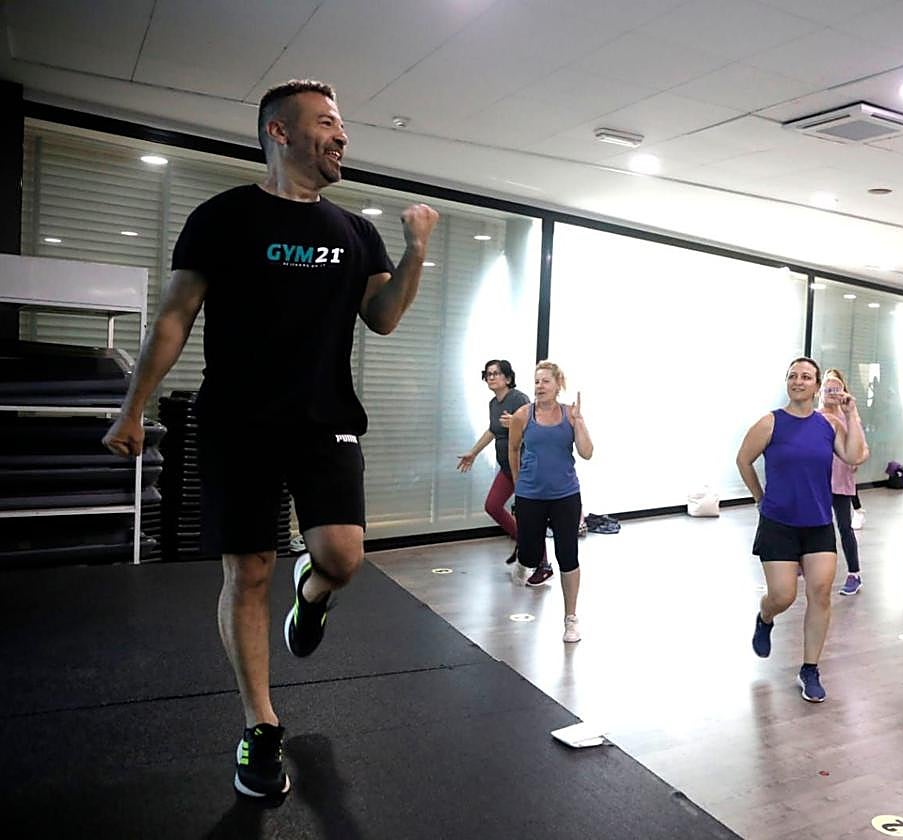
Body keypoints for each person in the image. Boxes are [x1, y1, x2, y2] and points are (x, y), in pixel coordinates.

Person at [102, 79, 439, 799]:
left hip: (326, 419)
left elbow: (381, 317)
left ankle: (312, 595)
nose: (342, 135)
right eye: (326, 123)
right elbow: (174, 317)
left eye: (342, 123)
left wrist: (414, 254)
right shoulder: (222, 218)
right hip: (239, 423)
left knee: (342, 556)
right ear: (279, 133)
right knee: (247, 570)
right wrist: (133, 408)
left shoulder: (353, 230)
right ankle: (260, 726)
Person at [737, 357, 866, 702]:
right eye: (793, 376)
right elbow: (743, 460)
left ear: (816, 385)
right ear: (787, 382)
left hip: (819, 524)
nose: (798, 381)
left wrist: (851, 415)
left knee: (820, 594)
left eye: (806, 377)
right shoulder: (770, 423)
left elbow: (853, 457)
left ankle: (810, 669)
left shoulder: (828, 425)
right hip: (778, 523)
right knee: (783, 595)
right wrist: (759, 497)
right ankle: (765, 617)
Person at [507, 361, 593, 642]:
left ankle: (571, 618)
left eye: (545, 381)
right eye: (536, 382)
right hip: (530, 495)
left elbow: (587, 452)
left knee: (568, 555)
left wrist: (579, 423)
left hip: (565, 495)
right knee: (531, 556)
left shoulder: (570, 415)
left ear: (558, 384)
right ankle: (523, 561)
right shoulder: (523, 415)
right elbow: (513, 448)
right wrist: (519, 482)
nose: (539, 387)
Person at [456, 360, 554, 584]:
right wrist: (473, 452)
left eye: (497, 374)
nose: (491, 378)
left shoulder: (518, 399)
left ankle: (543, 564)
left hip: (526, 467)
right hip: (507, 467)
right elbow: (492, 430)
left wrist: (518, 424)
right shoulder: (493, 403)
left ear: (508, 378)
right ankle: (524, 543)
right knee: (492, 506)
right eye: (488, 374)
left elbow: (537, 422)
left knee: (531, 517)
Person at [820, 370, 870, 596]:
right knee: (813, 525)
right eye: (827, 389)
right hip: (817, 481)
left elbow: (863, 449)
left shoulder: (849, 418)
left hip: (840, 481)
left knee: (844, 527)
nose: (831, 393)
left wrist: (856, 459)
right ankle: (805, 564)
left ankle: (854, 573)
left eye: (836, 389)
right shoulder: (815, 417)